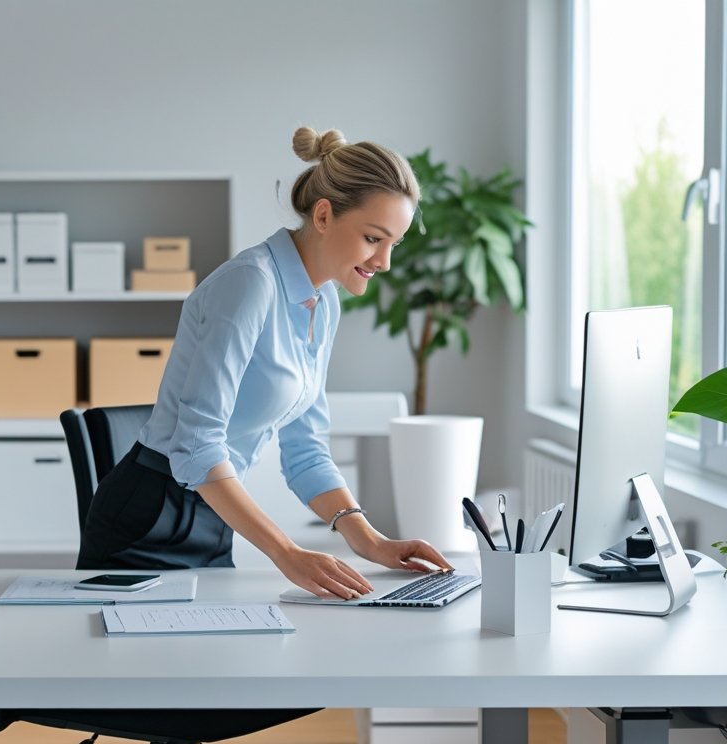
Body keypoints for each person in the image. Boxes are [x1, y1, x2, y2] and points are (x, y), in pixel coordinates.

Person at [78, 126, 453, 599]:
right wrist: (287, 553)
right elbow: (195, 447)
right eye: (374, 238)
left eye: (393, 244)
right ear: (323, 215)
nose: (385, 262)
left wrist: (372, 542)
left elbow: (305, 450)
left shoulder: (325, 301)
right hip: (149, 518)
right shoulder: (249, 285)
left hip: (214, 513)